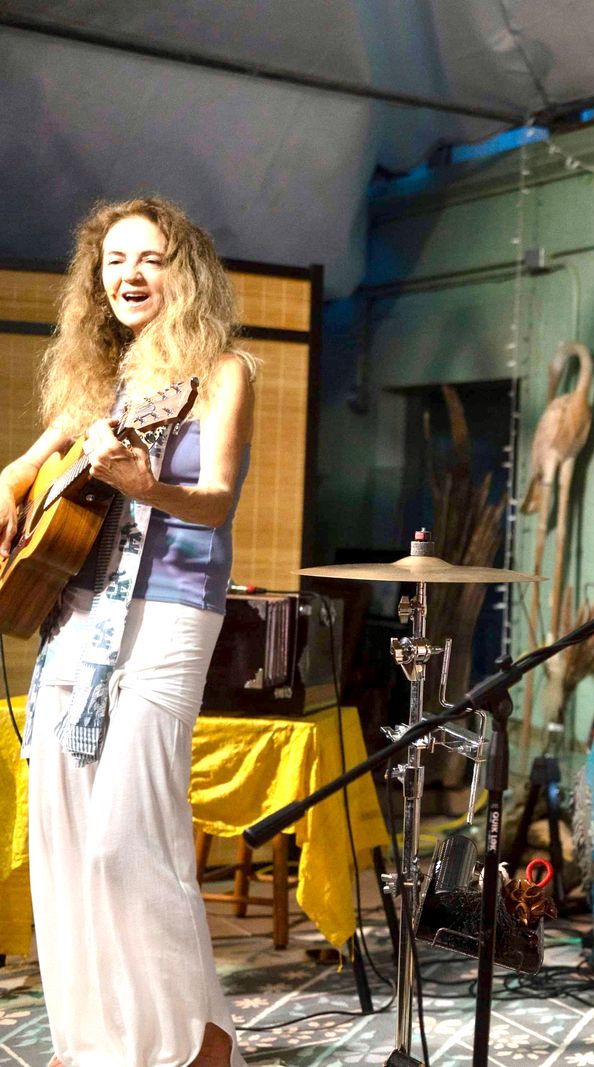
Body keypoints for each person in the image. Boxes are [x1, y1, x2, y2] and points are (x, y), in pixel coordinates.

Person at [1, 197, 256, 1067]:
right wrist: (12, 486)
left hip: (171, 613)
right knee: (65, 839)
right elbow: (26, 465)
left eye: (150, 258)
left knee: (127, 840)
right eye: (114, 260)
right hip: (76, 614)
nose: (129, 275)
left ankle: (197, 1042)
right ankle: (91, 1044)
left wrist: (148, 487)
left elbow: (216, 501)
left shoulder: (223, 372)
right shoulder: (98, 381)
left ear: (184, 272)